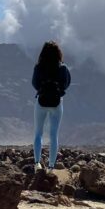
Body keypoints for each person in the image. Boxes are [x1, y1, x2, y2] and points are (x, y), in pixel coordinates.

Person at [31, 41, 71, 171]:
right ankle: (51, 167)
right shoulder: (62, 67)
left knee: (38, 133)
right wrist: (59, 91)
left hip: (41, 102)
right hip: (57, 103)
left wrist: (42, 89)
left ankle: (37, 163)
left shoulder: (38, 67)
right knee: (54, 135)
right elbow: (67, 83)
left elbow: (34, 83)